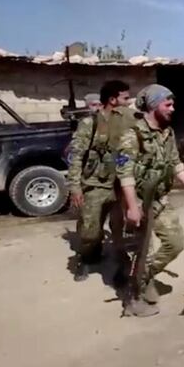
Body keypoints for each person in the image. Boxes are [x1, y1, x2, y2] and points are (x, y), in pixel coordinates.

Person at [116, 84, 184, 317]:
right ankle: (133, 300)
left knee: (175, 242)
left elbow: (175, 163)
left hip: (160, 199)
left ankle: (144, 277)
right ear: (154, 106)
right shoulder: (132, 135)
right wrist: (132, 207)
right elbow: (125, 173)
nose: (173, 108)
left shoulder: (167, 132)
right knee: (140, 252)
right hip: (139, 201)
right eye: (168, 104)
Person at [67, 80, 135, 282]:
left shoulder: (127, 122)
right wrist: (75, 187)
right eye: (125, 98)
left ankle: (122, 266)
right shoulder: (90, 123)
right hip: (95, 185)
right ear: (112, 100)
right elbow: (76, 155)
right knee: (90, 231)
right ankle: (87, 257)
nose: (128, 102)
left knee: (120, 229)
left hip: (120, 185)